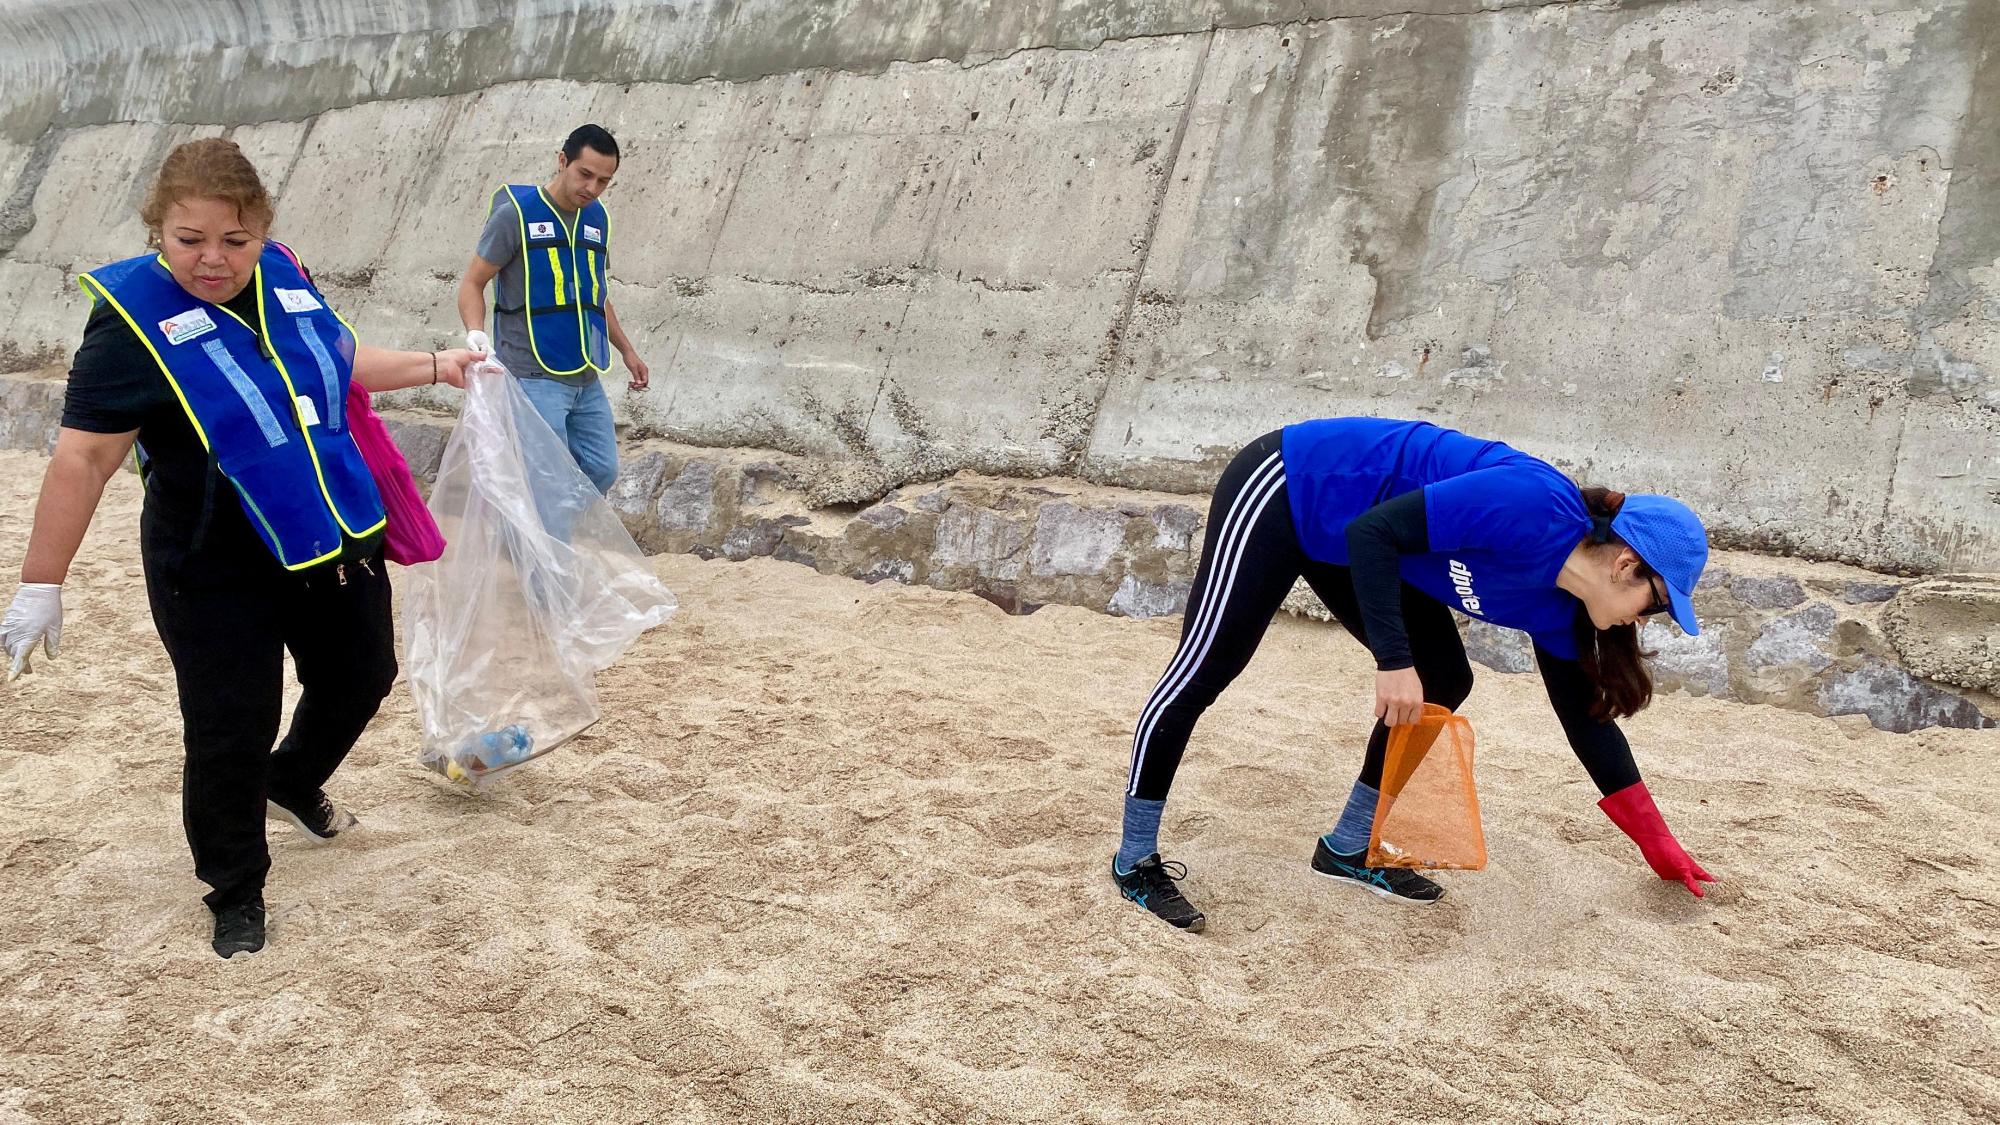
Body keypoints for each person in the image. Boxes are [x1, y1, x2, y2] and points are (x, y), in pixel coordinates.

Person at [0, 138, 485, 958]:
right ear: (159, 230)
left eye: (235, 240)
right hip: (209, 561)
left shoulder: (285, 274)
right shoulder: (127, 327)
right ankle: (235, 886)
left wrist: (441, 365)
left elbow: (337, 356)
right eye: (189, 239)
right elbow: (84, 456)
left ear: (262, 229)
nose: (213, 260)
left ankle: (291, 780)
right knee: (231, 724)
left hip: (327, 534)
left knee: (363, 673)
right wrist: (40, 582)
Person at [1111, 417, 1717, 932]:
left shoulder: (1562, 610)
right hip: (1293, 486)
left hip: (1367, 536)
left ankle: (1348, 847)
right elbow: (1372, 531)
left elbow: (1587, 723)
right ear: (1626, 564)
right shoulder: (1530, 506)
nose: (1651, 620)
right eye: (1659, 604)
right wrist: (1392, 662)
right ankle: (1135, 859)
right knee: (1210, 666)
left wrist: (1657, 843)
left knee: (1444, 679)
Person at [455, 123, 648, 494]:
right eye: (585, 174)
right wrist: (476, 334)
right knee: (548, 481)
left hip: (584, 374)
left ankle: (532, 537)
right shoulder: (515, 216)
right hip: (531, 375)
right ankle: (546, 548)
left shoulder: (597, 219)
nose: (592, 189)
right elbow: (473, 283)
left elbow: (594, 293)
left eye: (603, 181)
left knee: (601, 470)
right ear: (562, 161)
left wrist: (627, 349)